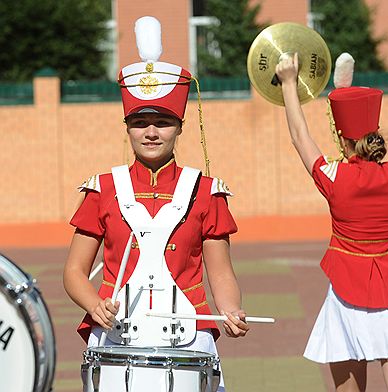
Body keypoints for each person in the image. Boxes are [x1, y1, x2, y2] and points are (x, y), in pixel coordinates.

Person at [63, 16, 248, 391]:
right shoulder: (103, 189)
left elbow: (221, 272)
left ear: (180, 126)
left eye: (162, 121)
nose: (150, 132)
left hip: (189, 341)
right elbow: (74, 272)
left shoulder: (206, 191)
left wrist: (230, 310)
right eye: (139, 122)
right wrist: (92, 303)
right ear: (127, 127)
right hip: (115, 340)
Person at [275, 50, 388, 391]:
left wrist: (289, 83)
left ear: (343, 141)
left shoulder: (333, 177)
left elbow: (300, 137)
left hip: (346, 295)